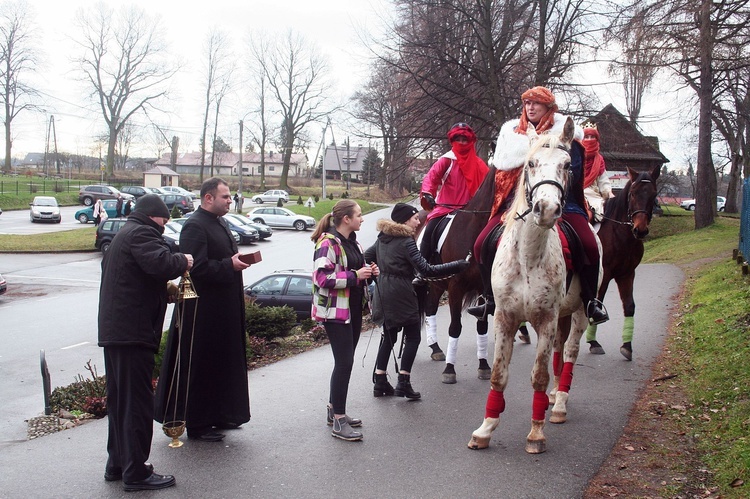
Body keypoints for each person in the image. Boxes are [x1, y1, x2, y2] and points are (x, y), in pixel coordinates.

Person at [468, 86, 608, 325]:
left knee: (589, 245)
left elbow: (572, 174)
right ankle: (489, 298)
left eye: (536, 104)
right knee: (481, 244)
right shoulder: (510, 135)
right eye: (527, 103)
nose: (530, 108)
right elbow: (502, 177)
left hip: (563, 202)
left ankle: (590, 301)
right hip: (514, 205)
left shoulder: (565, 134)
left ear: (549, 107)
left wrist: (561, 201)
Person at [98, 193, 193, 491]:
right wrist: (184, 260)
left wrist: (157, 293)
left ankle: (119, 463)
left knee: (120, 402)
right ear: (156, 216)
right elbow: (161, 263)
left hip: (117, 332)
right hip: (133, 333)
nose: (164, 227)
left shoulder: (123, 236)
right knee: (137, 404)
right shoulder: (141, 232)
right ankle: (136, 472)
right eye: (164, 221)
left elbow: (133, 278)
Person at [154, 177, 251, 442]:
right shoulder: (195, 226)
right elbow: (194, 269)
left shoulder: (220, 221)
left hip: (223, 307)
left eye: (230, 197)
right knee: (201, 364)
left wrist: (235, 262)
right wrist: (228, 266)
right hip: (203, 311)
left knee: (220, 362)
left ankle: (219, 414)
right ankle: (197, 422)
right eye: (225, 197)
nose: (230, 201)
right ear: (208, 198)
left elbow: (222, 257)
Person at [364, 203, 470, 400]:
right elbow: (427, 270)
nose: (418, 221)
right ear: (405, 220)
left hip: (382, 292)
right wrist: (458, 265)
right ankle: (403, 381)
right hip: (402, 293)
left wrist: (378, 271)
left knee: (388, 336)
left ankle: (379, 381)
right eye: (415, 218)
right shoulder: (406, 241)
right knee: (413, 336)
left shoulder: (382, 239)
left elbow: (366, 257)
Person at [311, 199, 379, 441]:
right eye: (359, 215)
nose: (362, 219)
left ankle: (334, 410)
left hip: (352, 310)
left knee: (344, 362)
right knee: (344, 363)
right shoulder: (327, 243)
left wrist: (368, 274)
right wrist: (355, 275)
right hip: (335, 313)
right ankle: (339, 421)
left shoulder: (353, 243)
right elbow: (321, 278)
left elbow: (357, 276)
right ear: (346, 219)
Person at [418, 123, 489, 263]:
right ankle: (421, 268)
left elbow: (489, 184)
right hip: (445, 209)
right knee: (429, 230)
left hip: (471, 211)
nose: (461, 143)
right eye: (458, 140)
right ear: (453, 141)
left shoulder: (479, 164)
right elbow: (431, 177)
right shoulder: (446, 159)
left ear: (470, 141)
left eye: (465, 140)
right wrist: (428, 194)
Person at [581, 122, 613, 224]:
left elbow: (604, 182)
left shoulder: (599, 160)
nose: (589, 140)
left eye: (592, 137)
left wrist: (609, 193)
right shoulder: (574, 156)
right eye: (586, 137)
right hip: (576, 194)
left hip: (594, 196)